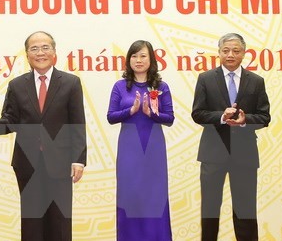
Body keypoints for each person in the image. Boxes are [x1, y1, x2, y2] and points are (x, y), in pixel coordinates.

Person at [0, 31, 87, 241]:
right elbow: (11, 120)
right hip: (27, 163)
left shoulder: (70, 82)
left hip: (60, 162)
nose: (40, 53)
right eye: (34, 48)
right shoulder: (17, 85)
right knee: (32, 222)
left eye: (45, 47)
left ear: (54, 52)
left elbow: (77, 124)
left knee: (60, 221)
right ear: (27, 54)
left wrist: (79, 160)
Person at [191, 33, 271, 241]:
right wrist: (221, 117)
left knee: (245, 210)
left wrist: (244, 120)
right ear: (219, 53)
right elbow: (197, 114)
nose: (230, 55)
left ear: (244, 53)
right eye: (225, 50)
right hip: (212, 153)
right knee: (209, 210)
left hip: (244, 155)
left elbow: (265, 117)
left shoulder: (256, 81)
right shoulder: (206, 79)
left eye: (236, 51)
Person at [107, 40, 175, 241]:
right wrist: (132, 110)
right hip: (129, 149)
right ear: (129, 60)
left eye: (143, 56)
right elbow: (111, 117)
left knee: (154, 197)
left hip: (153, 148)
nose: (138, 60)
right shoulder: (120, 86)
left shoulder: (161, 86)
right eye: (134, 56)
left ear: (151, 59)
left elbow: (169, 118)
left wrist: (151, 113)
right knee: (130, 197)